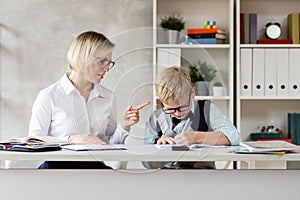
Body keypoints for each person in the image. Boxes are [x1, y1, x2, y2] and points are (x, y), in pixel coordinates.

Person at [28, 31, 149, 169]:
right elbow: (34, 141)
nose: (107, 69)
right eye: (102, 61)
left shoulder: (108, 97)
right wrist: (69, 140)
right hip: (56, 171)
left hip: (94, 170)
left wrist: (124, 125)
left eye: (109, 63)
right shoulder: (49, 96)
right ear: (83, 58)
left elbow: (109, 147)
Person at [144, 66, 241, 169]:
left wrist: (196, 137)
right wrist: (158, 148)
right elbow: (148, 164)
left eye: (183, 107)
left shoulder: (207, 110)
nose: (177, 113)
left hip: (202, 178)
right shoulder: (156, 118)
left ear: (192, 93)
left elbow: (234, 137)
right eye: (170, 109)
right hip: (166, 178)